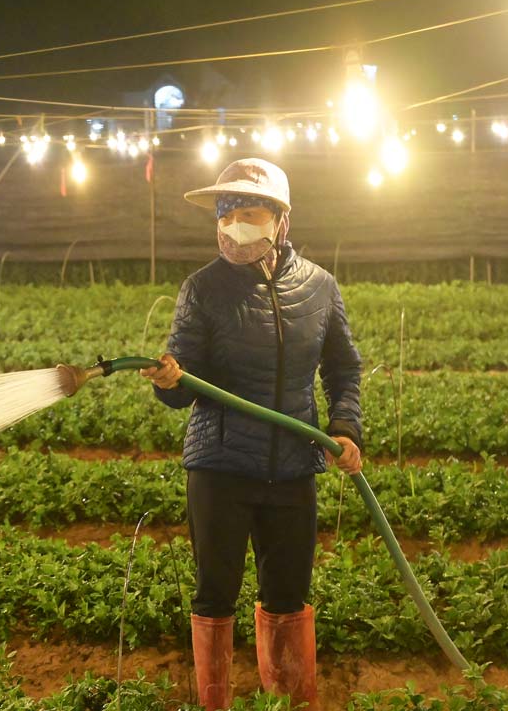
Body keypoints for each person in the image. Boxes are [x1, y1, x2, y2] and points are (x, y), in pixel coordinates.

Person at [140, 157, 363, 711]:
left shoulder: (320, 287)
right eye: (226, 214)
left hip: (293, 466)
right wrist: (169, 380)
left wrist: (344, 427)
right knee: (215, 594)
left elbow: (343, 368)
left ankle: (288, 701)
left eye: (249, 214)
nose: (235, 225)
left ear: (281, 221)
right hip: (220, 467)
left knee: (288, 595)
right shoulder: (203, 289)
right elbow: (182, 382)